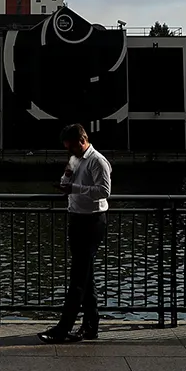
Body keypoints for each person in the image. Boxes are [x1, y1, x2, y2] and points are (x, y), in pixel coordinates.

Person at [41, 123, 111, 343]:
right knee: (86, 277)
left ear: (83, 140)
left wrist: (74, 189)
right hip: (78, 218)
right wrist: (66, 180)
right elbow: (68, 182)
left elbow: (104, 191)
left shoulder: (97, 161)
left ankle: (63, 329)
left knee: (78, 277)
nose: (70, 151)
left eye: (72, 146)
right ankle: (90, 326)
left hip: (92, 221)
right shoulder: (75, 159)